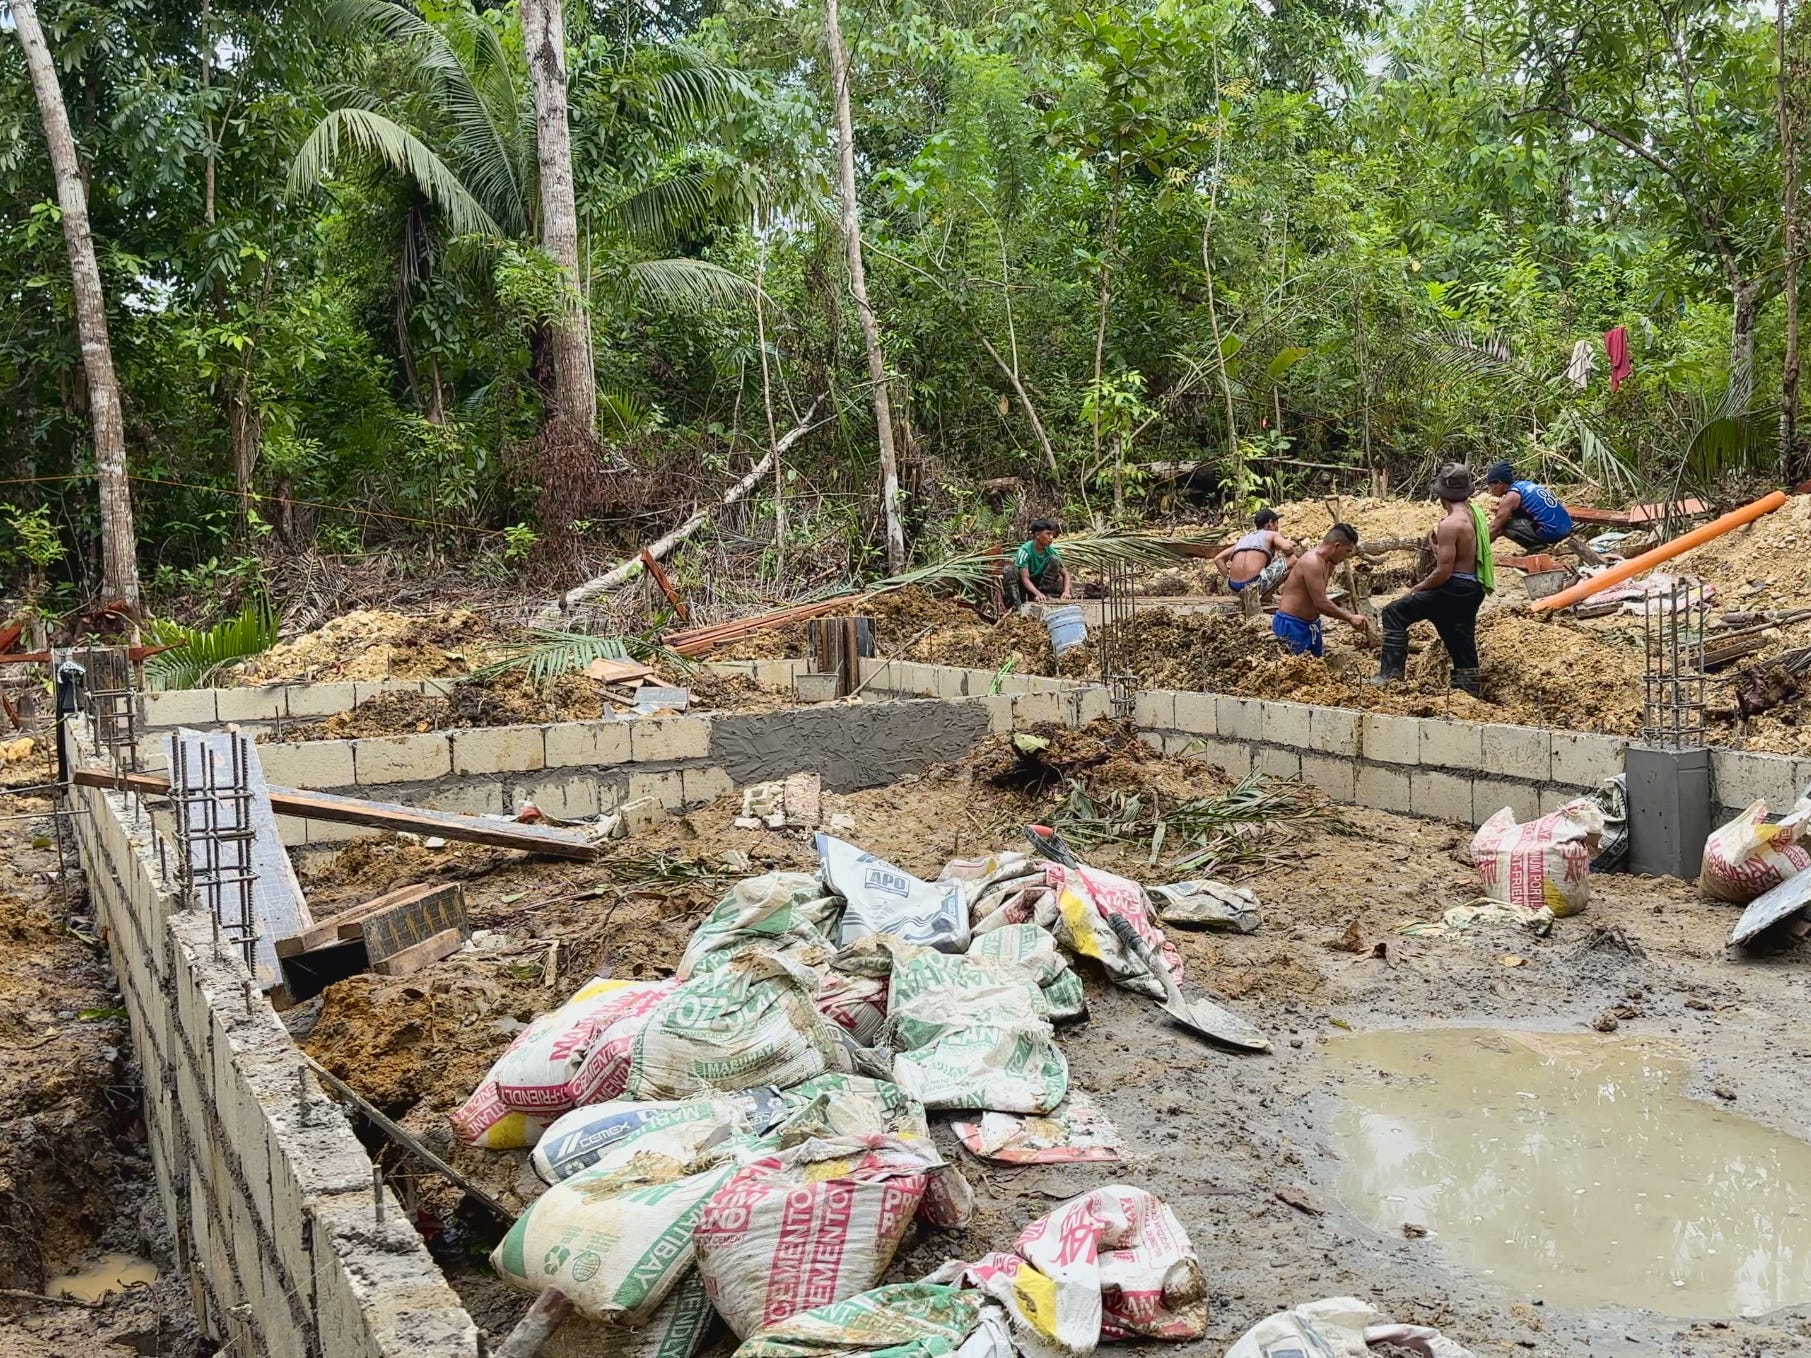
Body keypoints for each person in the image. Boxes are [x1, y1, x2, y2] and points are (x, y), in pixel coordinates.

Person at [1374, 463, 1493, 696]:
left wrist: (1417, 588)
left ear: (1441, 495)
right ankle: (1469, 688)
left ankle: (1390, 675)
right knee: (1459, 637)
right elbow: (1462, 556)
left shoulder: (1449, 524)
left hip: (1454, 588)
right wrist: (1439, 550)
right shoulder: (1473, 514)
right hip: (1472, 587)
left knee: (1394, 613)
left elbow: (1443, 573)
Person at [1269, 524, 1368, 657]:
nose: (1347, 556)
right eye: (1347, 551)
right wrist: (1349, 618)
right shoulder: (1312, 562)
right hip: (1292, 625)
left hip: (1311, 625)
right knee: (1294, 667)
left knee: (1315, 666)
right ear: (1336, 546)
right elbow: (1320, 603)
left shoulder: (1328, 563)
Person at [1214, 508, 1300, 611]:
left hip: (1234, 588)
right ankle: (1266, 596)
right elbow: (1287, 548)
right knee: (1292, 560)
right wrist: (1287, 550)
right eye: (1276, 523)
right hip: (1254, 586)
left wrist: (1228, 578)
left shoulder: (1244, 539)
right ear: (1270, 523)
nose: (1277, 527)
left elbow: (1218, 559)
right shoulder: (1272, 534)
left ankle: (1242, 589)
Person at [1482, 462, 1574, 552]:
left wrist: (1480, 547)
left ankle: (1537, 547)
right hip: (1566, 527)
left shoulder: (1512, 496)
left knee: (1504, 525)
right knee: (1513, 515)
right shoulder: (1525, 484)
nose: (1490, 490)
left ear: (1499, 483)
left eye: (1491, 486)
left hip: (1554, 532)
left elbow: (1495, 527)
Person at [1011, 518, 1072, 608]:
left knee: (1054, 560)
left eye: (1052, 534)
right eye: (1048, 534)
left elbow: (1065, 574)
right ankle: (1016, 605)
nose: (1051, 537)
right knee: (1008, 570)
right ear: (1037, 535)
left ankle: (1044, 594)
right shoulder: (1025, 551)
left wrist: (1066, 591)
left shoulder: (1051, 551)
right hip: (1024, 585)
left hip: (1040, 584)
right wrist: (1037, 593)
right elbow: (1025, 579)